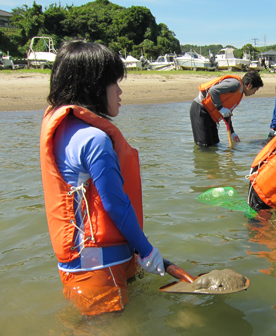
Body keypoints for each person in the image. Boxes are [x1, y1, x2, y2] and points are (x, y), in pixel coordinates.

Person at [40, 40, 192, 316]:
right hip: (98, 267)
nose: (120, 91)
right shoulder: (94, 139)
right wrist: (147, 251)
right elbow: (115, 205)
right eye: (114, 83)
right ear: (93, 86)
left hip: (80, 262)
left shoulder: (63, 126)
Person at [190, 70, 263, 147]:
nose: (254, 93)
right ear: (249, 86)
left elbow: (226, 112)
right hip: (201, 110)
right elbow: (213, 91)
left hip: (210, 115)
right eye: (255, 90)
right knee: (204, 146)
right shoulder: (235, 84)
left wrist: (232, 132)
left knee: (215, 144)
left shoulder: (239, 93)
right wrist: (220, 108)